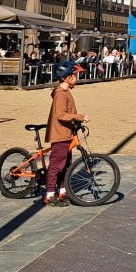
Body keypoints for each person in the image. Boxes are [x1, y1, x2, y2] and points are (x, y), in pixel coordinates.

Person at [44, 61, 91, 206]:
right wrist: (80, 117)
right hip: (60, 134)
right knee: (56, 164)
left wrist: (76, 123)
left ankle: (63, 191)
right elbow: (61, 115)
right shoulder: (60, 94)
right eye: (74, 75)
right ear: (66, 78)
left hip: (67, 132)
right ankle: (50, 194)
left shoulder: (65, 92)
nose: (76, 78)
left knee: (66, 164)